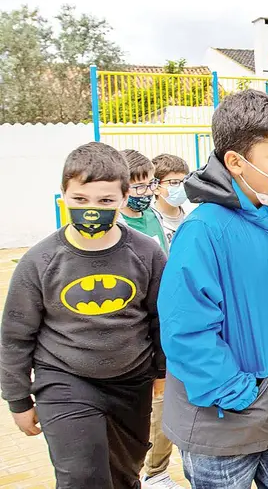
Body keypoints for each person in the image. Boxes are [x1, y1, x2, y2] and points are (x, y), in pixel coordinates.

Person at [157, 90, 268, 489]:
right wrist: (235, 393)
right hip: (224, 420)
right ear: (235, 162)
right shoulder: (203, 230)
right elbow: (185, 328)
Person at [0, 142, 167, 489]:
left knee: (124, 475)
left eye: (105, 201)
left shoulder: (146, 253)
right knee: (82, 478)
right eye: (81, 199)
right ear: (63, 195)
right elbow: (15, 335)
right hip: (63, 380)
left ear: (123, 198)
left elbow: (161, 319)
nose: (92, 209)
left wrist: (162, 371)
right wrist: (18, 399)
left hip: (131, 384)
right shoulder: (41, 261)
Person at [137, 153, 190, 488]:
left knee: (179, 396)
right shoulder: (149, 220)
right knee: (159, 401)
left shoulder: (191, 215)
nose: (179, 188)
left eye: (183, 181)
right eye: (172, 182)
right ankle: (154, 470)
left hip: (180, 316)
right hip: (151, 321)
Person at [119, 149, 169, 253]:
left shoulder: (155, 215)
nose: (149, 192)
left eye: (151, 183)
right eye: (140, 186)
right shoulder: (116, 225)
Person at [151, 153, 191, 247]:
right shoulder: (149, 220)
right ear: (156, 187)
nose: (181, 187)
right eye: (174, 183)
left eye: (184, 182)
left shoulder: (193, 214)